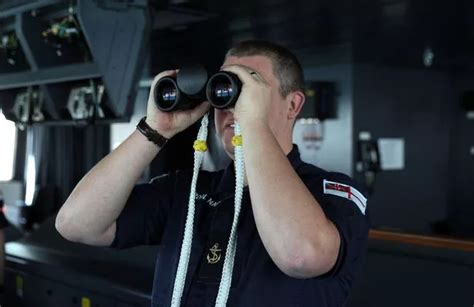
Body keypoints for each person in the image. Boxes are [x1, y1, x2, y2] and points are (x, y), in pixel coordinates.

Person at [55, 40, 370, 307]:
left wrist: (252, 124)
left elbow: (301, 256)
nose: (232, 107)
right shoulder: (188, 190)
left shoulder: (331, 192)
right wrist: (154, 130)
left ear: (293, 105)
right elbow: (75, 224)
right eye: (226, 91)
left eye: (250, 89)